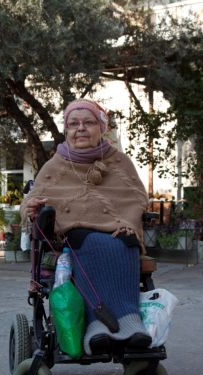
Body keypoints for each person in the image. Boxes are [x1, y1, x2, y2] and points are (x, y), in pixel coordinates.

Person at [21, 99, 151, 355]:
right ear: (66, 130)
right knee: (89, 241)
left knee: (127, 242)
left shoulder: (119, 162)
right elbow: (32, 200)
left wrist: (126, 222)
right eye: (73, 124)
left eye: (88, 122)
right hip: (73, 233)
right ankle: (95, 324)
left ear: (101, 128)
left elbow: (136, 197)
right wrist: (32, 207)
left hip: (117, 228)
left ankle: (129, 319)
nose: (80, 128)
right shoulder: (55, 165)